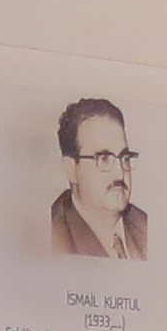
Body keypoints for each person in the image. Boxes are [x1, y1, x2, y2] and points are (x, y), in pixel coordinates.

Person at [49, 97, 149, 261]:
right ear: (71, 169)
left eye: (124, 158)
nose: (120, 174)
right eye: (104, 158)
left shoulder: (143, 224)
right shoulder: (54, 234)